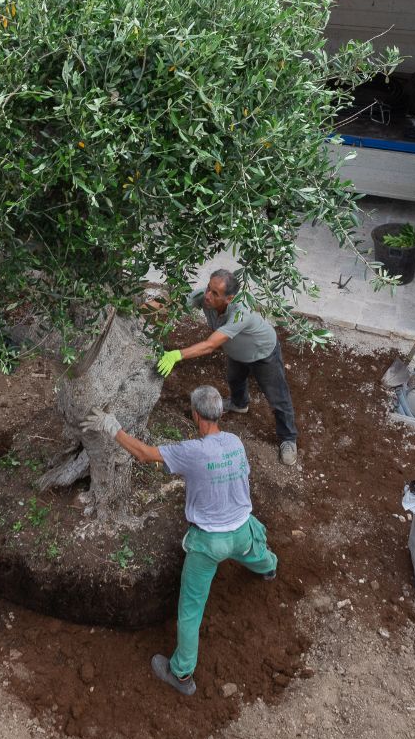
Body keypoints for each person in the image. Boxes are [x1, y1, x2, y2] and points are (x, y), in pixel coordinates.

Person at [83, 385, 278, 696]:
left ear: (195, 415)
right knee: (256, 553)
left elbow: (144, 454)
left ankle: (181, 673)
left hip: (209, 544)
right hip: (243, 530)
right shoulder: (235, 442)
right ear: (220, 413)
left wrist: (112, 427)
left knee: (190, 610)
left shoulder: (193, 451)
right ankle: (269, 568)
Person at [156, 268, 298, 466]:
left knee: (278, 398)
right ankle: (239, 404)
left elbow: (210, 345)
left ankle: (288, 438)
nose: (207, 295)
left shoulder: (241, 312)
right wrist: (138, 309)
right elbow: (171, 305)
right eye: (208, 288)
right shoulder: (204, 297)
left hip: (263, 353)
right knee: (234, 378)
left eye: (215, 293)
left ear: (229, 298)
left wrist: (176, 355)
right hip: (236, 351)